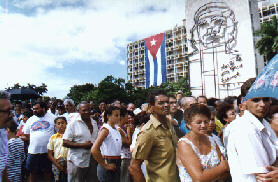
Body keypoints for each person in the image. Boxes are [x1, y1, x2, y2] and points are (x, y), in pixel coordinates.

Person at [129, 90, 179, 182]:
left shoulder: (169, 125)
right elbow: (134, 167)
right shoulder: (149, 131)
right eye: (161, 103)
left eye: (167, 102)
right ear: (151, 106)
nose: (166, 105)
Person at [226, 97, 278, 181]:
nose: (262, 104)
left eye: (265, 100)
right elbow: (264, 174)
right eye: (256, 100)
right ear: (244, 102)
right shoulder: (245, 128)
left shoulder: (264, 124)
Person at [177, 104, 229, 181]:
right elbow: (198, 178)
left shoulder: (212, 141)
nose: (203, 125)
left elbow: (226, 170)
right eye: (198, 122)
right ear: (188, 124)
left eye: (206, 122)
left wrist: (218, 172)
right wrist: (221, 168)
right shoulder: (184, 144)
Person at [63, 101, 98, 182]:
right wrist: (82, 145)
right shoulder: (73, 123)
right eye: (83, 110)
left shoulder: (94, 123)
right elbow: (65, 142)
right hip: (77, 161)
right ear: (78, 111)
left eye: (89, 110)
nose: (87, 112)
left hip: (91, 160)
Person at [23, 101, 56, 182]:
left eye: (37, 109)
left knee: (47, 171)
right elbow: (27, 134)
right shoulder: (31, 119)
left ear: (44, 109)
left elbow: (58, 133)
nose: (34, 110)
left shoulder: (53, 118)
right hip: (33, 151)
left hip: (48, 151)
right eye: (33, 109)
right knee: (33, 172)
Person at [91, 106, 122, 182]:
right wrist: (105, 165)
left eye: (119, 115)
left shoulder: (116, 129)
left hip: (117, 163)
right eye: (116, 115)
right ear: (108, 116)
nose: (119, 117)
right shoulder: (106, 129)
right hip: (108, 161)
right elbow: (94, 149)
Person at [47, 117, 69, 182]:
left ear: (66, 124)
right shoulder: (53, 137)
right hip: (57, 161)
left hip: (69, 161)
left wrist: (68, 163)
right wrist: (57, 165)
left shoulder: (70, 136)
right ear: (55, 126)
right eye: (58, 124)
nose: (61, 125)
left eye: (62, 123)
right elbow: (50, 154)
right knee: (58, 179)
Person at [117, 108, 133, 182]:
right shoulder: (119, 129)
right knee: (124, 178)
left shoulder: (123, 128)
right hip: (124, 157)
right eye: (126, 116)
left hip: (128, 156)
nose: (128, 118)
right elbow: (127, 143)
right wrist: (129, 131)